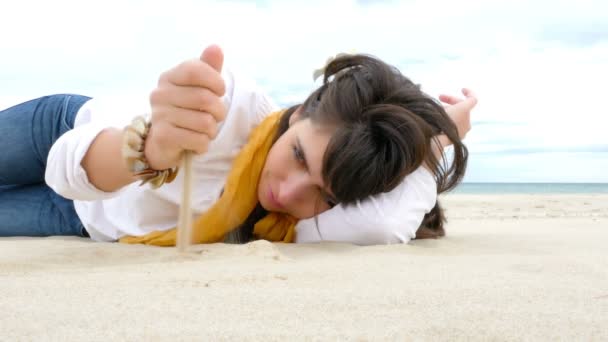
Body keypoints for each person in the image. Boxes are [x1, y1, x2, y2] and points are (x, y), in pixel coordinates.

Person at [0, 45, 475, 245]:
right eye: (297, 156)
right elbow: (66, 166)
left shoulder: (285, 226)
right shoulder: (226, 105)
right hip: (66, 132)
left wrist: (433, 144)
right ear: (300, 112)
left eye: (324, 195)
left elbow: (387, 227)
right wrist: (151, 150)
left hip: (83, 222)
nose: (289, 196)